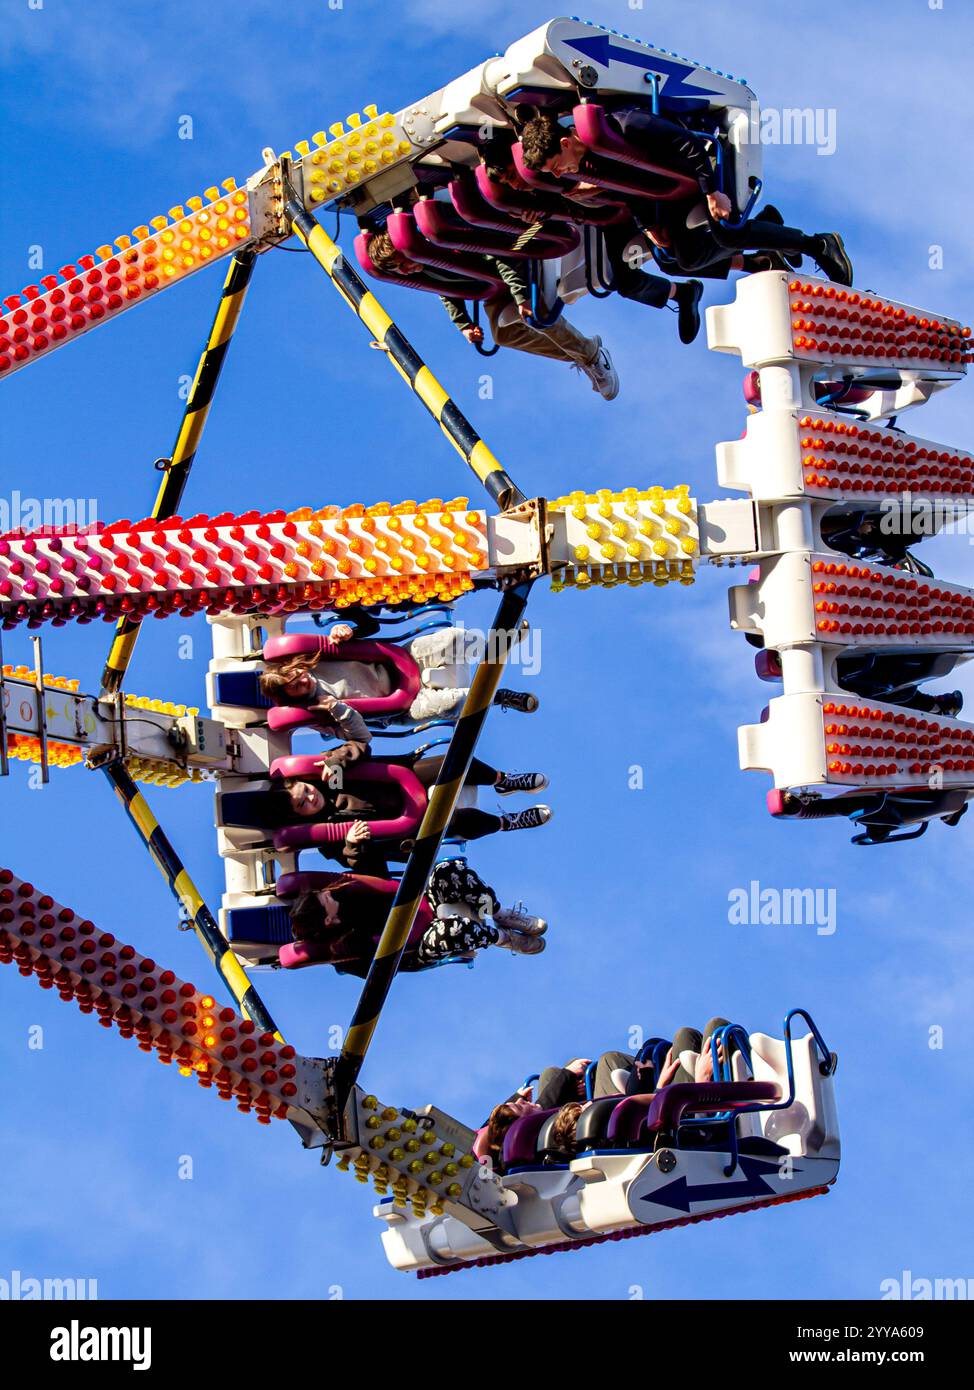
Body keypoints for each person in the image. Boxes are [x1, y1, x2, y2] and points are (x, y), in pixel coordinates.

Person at [519, 109, 853, 290]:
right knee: (679, 260)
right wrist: (648, 226)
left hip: (696, 175)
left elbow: (687, 144)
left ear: (565, 143)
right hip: (665, 197)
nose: (560, 174)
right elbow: (627, 188)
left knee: (727, 233)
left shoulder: (623, 123)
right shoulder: (588, 162)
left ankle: (818, 245)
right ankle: (767, 234)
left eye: (556, 166)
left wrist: (712, 191)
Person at [364, 229, 620, 400]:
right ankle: (585, 352)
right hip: (490, 286)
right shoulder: (423, 270)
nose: (406, 270)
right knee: (503, 334)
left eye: (403, 261)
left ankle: (589, 355)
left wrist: (520, 295)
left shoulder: (442, 242)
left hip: (515, 267)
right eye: (399, 269)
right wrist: (463, 324)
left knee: (536, 315)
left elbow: (497, 256)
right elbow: (445, 290)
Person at [473, 1018, 735, 1170]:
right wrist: (701, 1082)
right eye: (520, 1107)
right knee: (709, 1029)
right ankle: (752, 1088)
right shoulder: (611, 1132)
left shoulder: (606, 1131)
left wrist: (659, 1089)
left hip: (672, 1109)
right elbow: (671, 1132)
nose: (522, 1101)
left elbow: (652, 1124)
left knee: (676, 1041)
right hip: (703, 1123)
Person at [276, 753, 552, 870]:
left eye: (306, 790)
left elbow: (359, 745)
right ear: (301, 816)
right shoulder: (328, 836)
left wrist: (338, 759)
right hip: (407, 827)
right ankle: (505, 822)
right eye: (303, 804)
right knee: (453, 819)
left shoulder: (331, 780)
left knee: (453, 760)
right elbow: (366, 868)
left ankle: (502, 781)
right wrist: (352, 847)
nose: (311, 798)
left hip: (405, 782)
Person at [284, 858, 547, 973]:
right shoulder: (348, 948)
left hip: (423, 902)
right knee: (452, 932)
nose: (329, 894)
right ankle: (503, 938)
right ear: (328, 920)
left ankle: (499, 913)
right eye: (324, 899)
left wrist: (357, 847)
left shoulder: (348, 892)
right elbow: (384, 960)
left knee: (447, 870)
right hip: (419, 943)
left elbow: (377, 873)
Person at [260, 618, 538, 724]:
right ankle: (499, 696)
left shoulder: (318, 658)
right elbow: (357, 734)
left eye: (298, 675)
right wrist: (338, 714)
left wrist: (347, 630)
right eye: (296, 686)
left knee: (454, 638)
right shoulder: (318, 712)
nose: (303, 681)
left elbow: (371, 627)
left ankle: (503, 640)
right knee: (454, 702)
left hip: (404, 662)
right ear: (292, 697)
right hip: (402, 706)